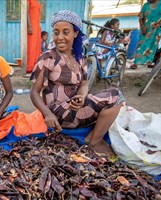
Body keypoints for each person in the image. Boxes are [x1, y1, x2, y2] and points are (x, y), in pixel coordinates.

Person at [30, 10, 125, 157]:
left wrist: (81, 97)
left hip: (75, 108)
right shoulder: (48, 57)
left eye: (65, 32)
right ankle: (95, 142)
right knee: (115, 97)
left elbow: (84, 84)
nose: (59, 37)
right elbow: (34, 92)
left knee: (116, 98)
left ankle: (92, 137)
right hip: (58, 116)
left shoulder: (80, 58)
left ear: (75, 33)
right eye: (56, 33)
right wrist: (48, 114)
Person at [130, 0, 161, 69]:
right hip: (146, 29)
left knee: (153, 45)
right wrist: (142, 27)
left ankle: (149, 62)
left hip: (158, 29)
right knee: (141, 44)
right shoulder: (146, 5)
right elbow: (140, 18)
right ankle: (136, 63)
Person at [27, 0, 41, 73]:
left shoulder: (36, 1)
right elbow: (26, 12)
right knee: (31, 45)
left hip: (36, 25)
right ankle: (29, 66)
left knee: (36, 45)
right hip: (31, 25)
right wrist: (29, 25)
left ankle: (35, 65)